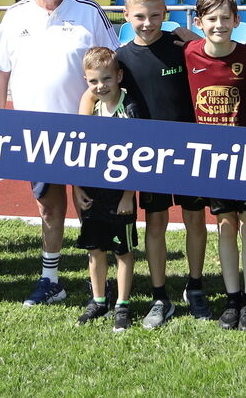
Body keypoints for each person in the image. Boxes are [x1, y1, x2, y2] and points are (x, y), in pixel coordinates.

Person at [0, 0, 119, 306]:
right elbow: (0, 74)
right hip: (35, 134)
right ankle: (51, 279)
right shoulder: (14, 16)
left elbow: (114, 65)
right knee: (48, 205)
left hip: (86, 131)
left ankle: (103, 279)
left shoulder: (89, 12)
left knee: (92, 204)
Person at [108, 0, 210, 328]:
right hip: (148, 155)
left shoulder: (182, 46)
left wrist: (190, 35)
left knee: (195, 217)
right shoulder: (120, 60)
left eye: (155, 15)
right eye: (139, 16)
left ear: (165, 13)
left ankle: (195, 286)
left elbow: (216, 48)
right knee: (156, 221)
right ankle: (159, 295)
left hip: (188, 149)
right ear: (126, 15)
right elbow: (98, 94)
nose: (148, 23)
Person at [183, 0, 246, 331]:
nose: (219, 25)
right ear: (199, 22)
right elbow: (177, 38)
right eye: (211, 19)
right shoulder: (189, 52)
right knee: (225, 226)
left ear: (237, 20)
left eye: (225, 18)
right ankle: (232, 299)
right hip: (213, 161)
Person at [74, 47, 139, 332]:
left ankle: (123, 304)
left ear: (119, 76)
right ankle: (98, 299)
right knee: (94, 248)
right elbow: (79, 150)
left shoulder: (131, 109)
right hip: (92, 193)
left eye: (106, 79)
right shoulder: (90, 108)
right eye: (93, 81)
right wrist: (77, 188)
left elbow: (142, 155)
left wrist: (128, 194)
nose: (100, 86)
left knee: (121, 251)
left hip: (120, 195)